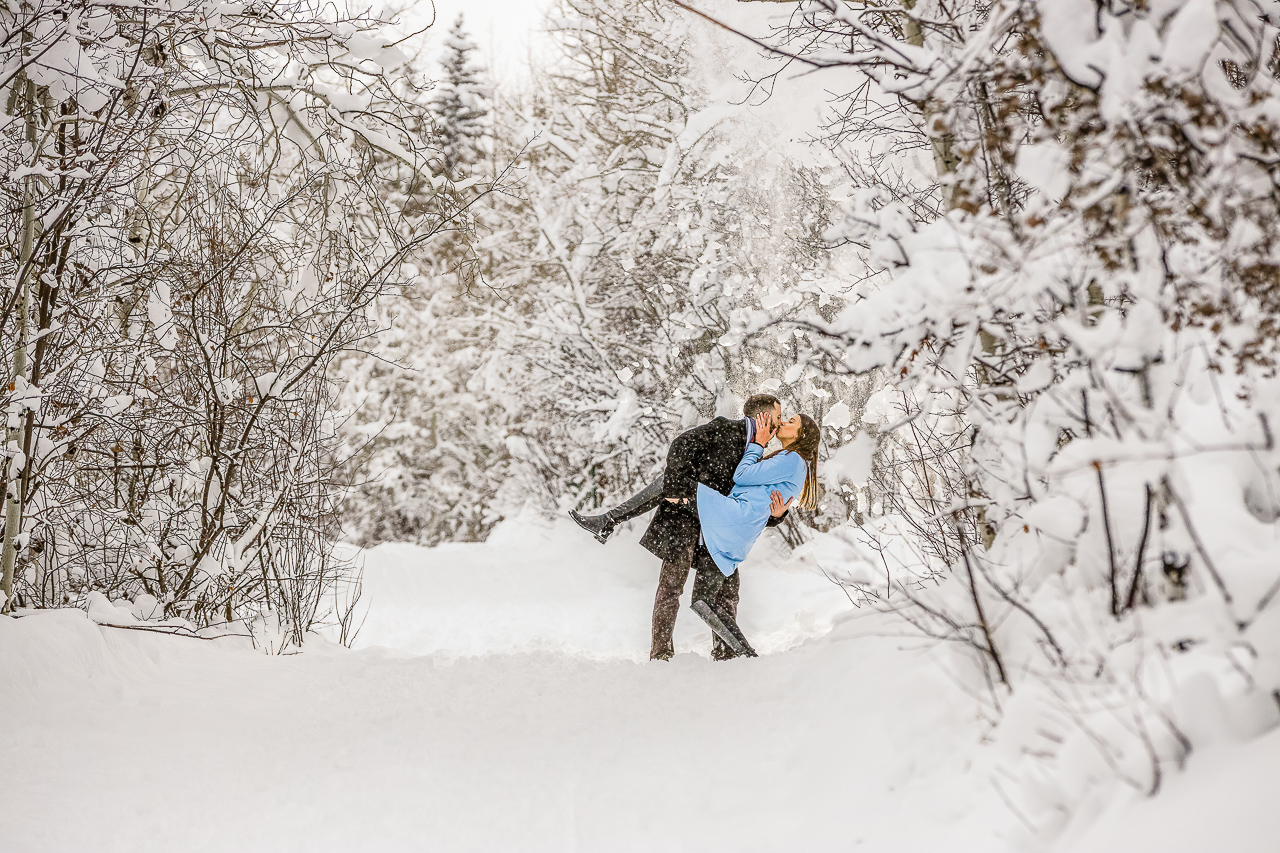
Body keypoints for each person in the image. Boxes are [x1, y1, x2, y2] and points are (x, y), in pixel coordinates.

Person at [569, 394, 792, 660]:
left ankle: (726, 654)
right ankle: (661, 655)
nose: (779, 425)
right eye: (777, 418)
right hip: (682, 518)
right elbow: (680, 444)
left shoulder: (758, 454)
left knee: (729, 588)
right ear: (763, 417)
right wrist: (676, 491)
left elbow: (749, 505)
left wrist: (776, 515)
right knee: (672, 585)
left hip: (715, 528)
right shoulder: (724, 428)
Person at [687, 411, 821, 658]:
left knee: (678, 482)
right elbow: (761, 496)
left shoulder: (792, 459)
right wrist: (777, 514)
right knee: (706, 599)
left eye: (791, 422)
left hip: (734, 518)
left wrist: (757, 444)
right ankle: (730, 653)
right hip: (738, 525)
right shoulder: (788, 459)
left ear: (801, 435)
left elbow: (742, 476)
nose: (783, 422)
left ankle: (744, 653)